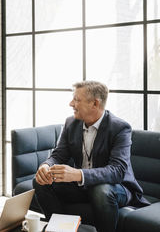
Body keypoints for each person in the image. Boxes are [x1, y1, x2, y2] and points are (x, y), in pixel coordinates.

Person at [33, 81, 150, 232]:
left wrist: (78, 174)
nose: (71, 103)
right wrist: (46, 166)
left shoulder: (120, 128)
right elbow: (58, 155)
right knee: (40, 181)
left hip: (117, 188)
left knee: (100, 190)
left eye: (77, 100)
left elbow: (118, 170)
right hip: (83, 187)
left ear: (95, 103)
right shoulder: (71, 123)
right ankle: (61, 229)